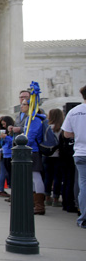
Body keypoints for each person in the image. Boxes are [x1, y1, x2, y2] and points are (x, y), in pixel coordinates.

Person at [18, 100, 47, 215]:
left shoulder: (34, 119)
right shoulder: (30, 118)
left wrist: (22, 144)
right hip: (31, 150)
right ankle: (35, 203)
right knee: (33, 178)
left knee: (36, 177)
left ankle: (39, 205)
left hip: (33, 151)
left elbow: (30, 136)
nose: (21, 106)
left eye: (24, 104)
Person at [63, 85, 86, 227]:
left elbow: (67, 134)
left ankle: (83, 217)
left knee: (83, 185)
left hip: (80, 153)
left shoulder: (74, 111)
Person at [44, 108, 64, 207]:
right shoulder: (62, 129)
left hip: (47, 154)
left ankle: (47, 197)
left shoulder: (47, 127)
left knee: (48, 177)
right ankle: (56, 198)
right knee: (57, 178)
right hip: (58, 156)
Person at [0, 116, 14, 198]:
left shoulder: (12, 131)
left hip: (9, 153)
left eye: (4, 124)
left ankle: (3, 189)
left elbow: (14, 140)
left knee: (7, 172)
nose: (3, 126)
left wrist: (5, 137)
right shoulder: (1, 132)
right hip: (5, 153)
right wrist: (0, 139)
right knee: (3, 172)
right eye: (2, 124)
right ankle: (1, 189)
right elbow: (2, 144)